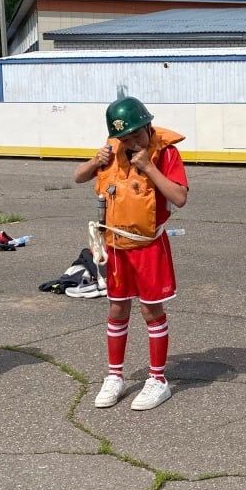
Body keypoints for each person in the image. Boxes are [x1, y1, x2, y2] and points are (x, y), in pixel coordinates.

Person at [74, 97, 188, 411]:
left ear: (149, 126)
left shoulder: (165, 154)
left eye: (138, 134)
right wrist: (96, 161)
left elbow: (179, 197)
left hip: (149, 244)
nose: (132, 142)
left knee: (151, 311)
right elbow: (78, 177)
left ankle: (158, 379)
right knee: (116, 309)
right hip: (115, 245)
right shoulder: (112, 151)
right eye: (125, 137)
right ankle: (115, 376)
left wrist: (149, 167)